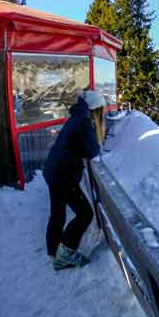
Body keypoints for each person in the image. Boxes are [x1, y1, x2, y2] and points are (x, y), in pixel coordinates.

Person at [43, 90, 106, 271]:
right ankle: (65, 254)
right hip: (63, 175)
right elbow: (93, 150)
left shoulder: (78, 115)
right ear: (95, 109)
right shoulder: (84, 121)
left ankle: (54, 252)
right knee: (85, 214)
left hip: (54, 170)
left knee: (57, 214)